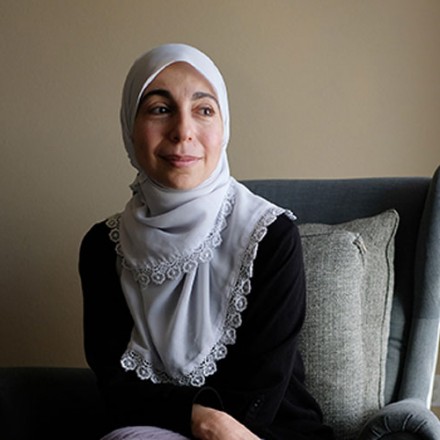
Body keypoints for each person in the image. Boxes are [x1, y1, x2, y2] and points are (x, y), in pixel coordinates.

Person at [79, 43, 334, 440]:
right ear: (130, 126)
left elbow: (261, 396)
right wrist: (202, 419)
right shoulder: (103, 248)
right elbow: (118, 389)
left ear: (224, 127)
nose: (183, 131)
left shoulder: (270, 236)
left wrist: (211, 425)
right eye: (159, 109)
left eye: (204, 110)